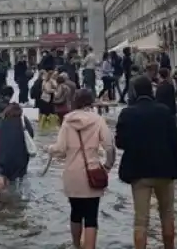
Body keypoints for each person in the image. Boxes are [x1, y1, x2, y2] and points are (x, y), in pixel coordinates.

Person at [115, 76, 177, 249]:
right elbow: (176, 142)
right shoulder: (164, 111)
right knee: (167, 215)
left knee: (141, 220)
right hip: (165, 170)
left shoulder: (127, 113)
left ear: (135, 92)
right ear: (151, 90)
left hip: (139, 172)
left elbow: (120, 143)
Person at [47, 89, 115, 249]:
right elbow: (110, 147)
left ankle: (77, 246)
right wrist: (107, 167)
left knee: (75, 213)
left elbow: (61, 149)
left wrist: (50, 148)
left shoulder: (67, 121)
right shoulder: (98, 120)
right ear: (91, 102)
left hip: (72, 175)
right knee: (91, 216)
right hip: (93, 174)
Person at [0, 104, 35, 190]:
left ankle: (3, 186)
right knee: (19, 180)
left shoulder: (2, 121)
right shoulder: (24, 121)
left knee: (4, 175)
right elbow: (31, 135)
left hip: (4, 157)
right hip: (21, 157)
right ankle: (18, 198)